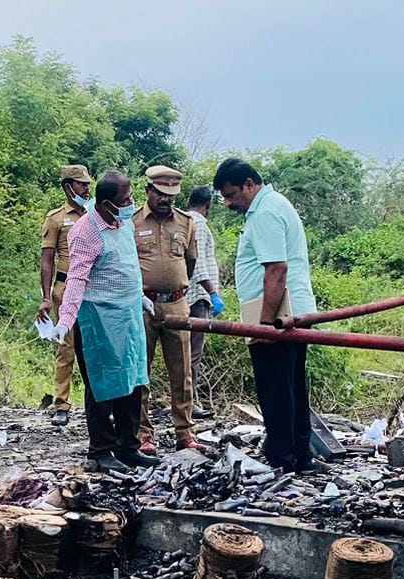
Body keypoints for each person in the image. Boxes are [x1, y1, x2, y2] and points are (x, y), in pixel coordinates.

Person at [45, 170, 158, 474]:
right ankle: (101, 449)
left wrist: (140, 296)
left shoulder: (122, 223)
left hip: (128, 314)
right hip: (99, 315)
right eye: (125, 199)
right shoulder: (85, 231)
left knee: (132, 380)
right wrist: (66, 319)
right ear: (107, 203)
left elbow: (128, 263)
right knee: (103, 383)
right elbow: (77, 278)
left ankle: (128, 445)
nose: (131, 202)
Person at [214, 157, 320, 473]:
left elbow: (276, 269)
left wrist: (264, 325)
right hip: (293, 312)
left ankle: (282, 459)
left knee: (276, 390)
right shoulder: (276, 203)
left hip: (279, 315)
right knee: (291, 388)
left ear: (249, 184)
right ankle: (299, 456)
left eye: (233, 195)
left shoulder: (265, 212)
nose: (231, 203)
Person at [131, 164, 201, 453]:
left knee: (182, 372)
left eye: (171, 196)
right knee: (139, 372)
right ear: (148, 190)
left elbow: (190, 262)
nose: (166, 200)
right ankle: (143, 434)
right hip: (142, 306)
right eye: (160, 194)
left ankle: (184, 432)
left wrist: (175, 286)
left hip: (176, 304)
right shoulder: (132, 222)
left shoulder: (186, 223)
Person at [37, 165, 94, 427]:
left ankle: (100, 403)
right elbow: (47, 260)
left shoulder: (95, 214)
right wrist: (47, 297)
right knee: (66, 347)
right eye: (81, 184)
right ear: (68, 186)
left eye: (86, 184)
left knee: (96, 348)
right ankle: (61, 403)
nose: (86, 189)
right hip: (64, 288)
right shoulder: (56, 218)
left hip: (93, 290)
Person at [184, 185, 223, 417]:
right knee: (192, 353)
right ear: (208, 205)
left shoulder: (185, 220)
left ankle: (187, 401)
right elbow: (196, 261)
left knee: (187, 353)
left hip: (193, 295)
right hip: (196, 297)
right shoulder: (197, 223)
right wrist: (212, 293)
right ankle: (189, 402)